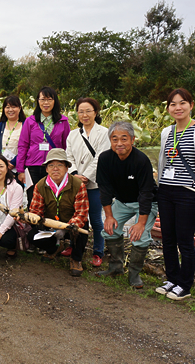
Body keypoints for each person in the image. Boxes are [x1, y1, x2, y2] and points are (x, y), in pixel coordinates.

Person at [156, 88, 195, 301]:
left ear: (191, 105)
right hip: (165, 191)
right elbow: (164, 162)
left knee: (184, 240)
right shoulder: (166, 132)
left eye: (182, 103)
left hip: (188, 193)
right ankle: (172, 278)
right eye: (173, 104)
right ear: (168, 108)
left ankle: (185, 284)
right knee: (168, 238)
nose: (177, 107)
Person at [96, 121, 158, 288]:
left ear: (132, 140)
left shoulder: (141, 160)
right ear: (110, 141)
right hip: (122, 201)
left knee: (141, 236)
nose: (119, 143)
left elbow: (146, 193)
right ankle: (116, 267)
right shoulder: (105, 159)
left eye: (124, 139)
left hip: (145, 203)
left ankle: (134, 273)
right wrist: (108, 216)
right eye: (115, 139)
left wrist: (141, 223)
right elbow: (105, 189)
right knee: (109, 230)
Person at [26, 149, 89, 276]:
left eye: (60, 165)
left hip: (71, 224)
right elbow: (35, 210)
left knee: (82, 230)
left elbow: (81, 213)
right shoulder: (40, 185)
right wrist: (31, 218)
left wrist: (66, 227)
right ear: (46, 169)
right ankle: (54, 248)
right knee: (31, 235)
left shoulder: (78, 184)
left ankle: (76, 259)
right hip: (51, 225)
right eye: (51, 165)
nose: (55, 168)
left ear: (67, 168)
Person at [64, 97, 110, 267]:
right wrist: (75, 173)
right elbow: (68, 156)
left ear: (96, 112)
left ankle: (98, 251)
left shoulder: (104, 133)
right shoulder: (73, 134)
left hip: (95, 183)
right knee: (76, 218)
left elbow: (101, 158)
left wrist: (87, 176)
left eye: (88, 111)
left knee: (96, 220)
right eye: (81, 111)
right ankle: (74, 247)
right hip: (75, 183)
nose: (84, 115)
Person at [17, 87, 70, 205]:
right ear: (38, 101)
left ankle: (52, 223)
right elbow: (22, 145)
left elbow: (67, 147)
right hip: (33, 167)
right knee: (34, 200)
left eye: (49, 99)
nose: (46, 103)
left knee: (53, 200)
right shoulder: (30, 121)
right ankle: (35, 224)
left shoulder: (63, 121)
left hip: (54, 166)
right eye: (43, 99)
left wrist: (67, 167)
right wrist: (20, 169)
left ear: (55, 101)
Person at [0, 95, 26, 175]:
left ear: (19, 108)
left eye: (13, 107)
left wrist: (14, 162)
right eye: (7, 107)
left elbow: (27, 147)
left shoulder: (25, 125)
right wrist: (1, 161)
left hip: (19, 168)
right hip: (2, 168)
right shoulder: (0, 126)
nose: (10, 110)